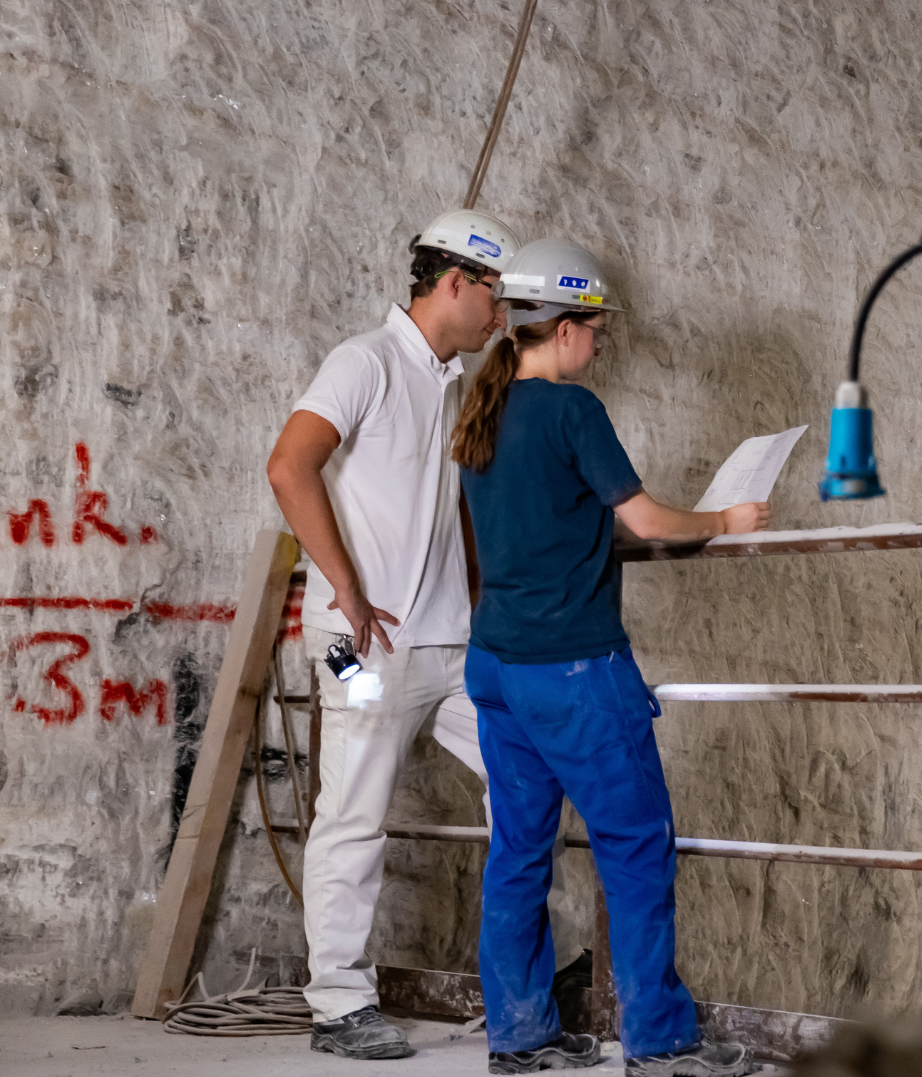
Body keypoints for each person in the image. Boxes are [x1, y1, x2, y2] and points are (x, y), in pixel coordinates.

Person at [452, 238, 770, 1076]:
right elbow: (650, 523)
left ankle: (518, 1035)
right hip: (575, 672)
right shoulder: (571, 410)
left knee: (518, 852)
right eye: (596, 330)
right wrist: (727, 522)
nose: (599, 347)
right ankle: (660, 1042)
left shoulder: (483, 412)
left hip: (497, 665)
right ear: (562, 328)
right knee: (634, 842)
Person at [267, 209, 519, 1061]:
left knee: (527, 774)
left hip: (453, 652)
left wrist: (483, 608)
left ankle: (516, 986)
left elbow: (454, 517)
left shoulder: (454, 383)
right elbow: (288, 464)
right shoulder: (363, 361)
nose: (502, 318)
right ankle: (340, 1004)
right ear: (454, 283)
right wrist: (346, 589)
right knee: (355, 813)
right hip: (359, 647)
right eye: (495, 297)